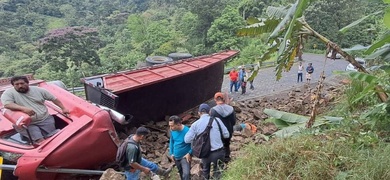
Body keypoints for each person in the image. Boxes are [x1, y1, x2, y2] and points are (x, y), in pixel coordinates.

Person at [0, 75, 70, 143]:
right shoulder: (8, 93)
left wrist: (63, 108)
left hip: (44, 119)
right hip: (27, 124)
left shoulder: (39, 90)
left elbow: (53, 98)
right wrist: (24, 109)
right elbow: (7, 104)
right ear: (13, 85)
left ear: (27, 83)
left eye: (22, 83)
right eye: (16, 84)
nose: (20, 86)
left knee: (53, 138)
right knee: (41, 142)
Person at [184, 104, 229, 180]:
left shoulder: (195, 125)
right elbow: (226, 135)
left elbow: (187, 140)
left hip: (205, 153)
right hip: (218, 152)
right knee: (218, 172)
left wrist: (197, 137)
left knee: (205, 172)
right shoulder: (217, 120)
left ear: (199, 113)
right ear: (210, 112)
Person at [210, 92, 236, 163]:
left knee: (220, 146)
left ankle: (220, 160)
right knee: (227, 144)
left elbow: (211, 123)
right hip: (229, 130)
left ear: (215, 100)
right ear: (223, 99)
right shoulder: (231, 109)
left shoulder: (213, 110)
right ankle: (227, 158)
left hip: (218, 132)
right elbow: (233, 121)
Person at [168, 115, 192, 180]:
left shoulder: (188, 131)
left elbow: (194, 143)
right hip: (176, 156)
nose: (170, 128)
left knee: (186, 174)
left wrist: (190, 153)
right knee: (181, 173)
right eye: (169, 125)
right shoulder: (172, 131)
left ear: (178, 124)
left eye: (172, 126)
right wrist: (171, 153)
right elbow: (171, 141)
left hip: (185, 156)